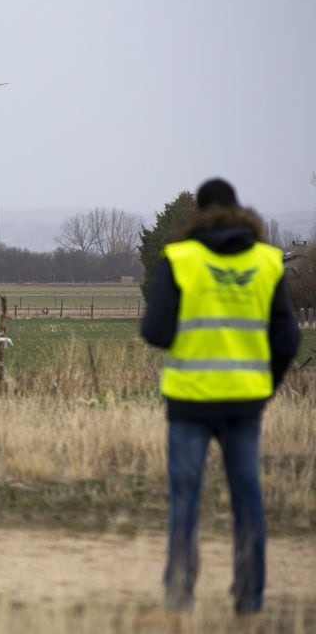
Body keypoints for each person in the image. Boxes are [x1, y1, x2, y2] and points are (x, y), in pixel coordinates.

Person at [141, 178, 300, 616]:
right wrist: (264, 384)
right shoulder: (267, 262)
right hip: (245, 405)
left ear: (199, 211)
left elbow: (154, 331)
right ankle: (249, 600)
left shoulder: (181, 259)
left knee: (185, 500)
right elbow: (288, 337)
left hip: (190, 402)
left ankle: (179, 595)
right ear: (237, 209)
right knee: (248, 500)